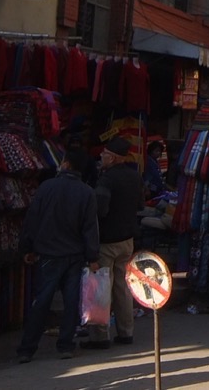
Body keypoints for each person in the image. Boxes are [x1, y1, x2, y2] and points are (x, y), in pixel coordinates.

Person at [17, 149, 100, 364]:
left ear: (66, 164)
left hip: (48, 253)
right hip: (74, 255)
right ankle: (65, 345)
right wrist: (93, 257)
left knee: (41, 301)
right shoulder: (86, 192)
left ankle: (27, 349)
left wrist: (27, 248)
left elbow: (32, 220)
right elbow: (90, 228)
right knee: (71, 302)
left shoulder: (47, 187)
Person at [84, 138, 143, 349]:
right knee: (123, 287)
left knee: (101, 287)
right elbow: (140, 205)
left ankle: (100, 336)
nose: (101, 157)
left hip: (107, 241)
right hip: (127, 239)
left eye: (104, 154)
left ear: (113, 157)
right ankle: (126, 332)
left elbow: (100, 210)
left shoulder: (107, 180)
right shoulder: (135, 176)